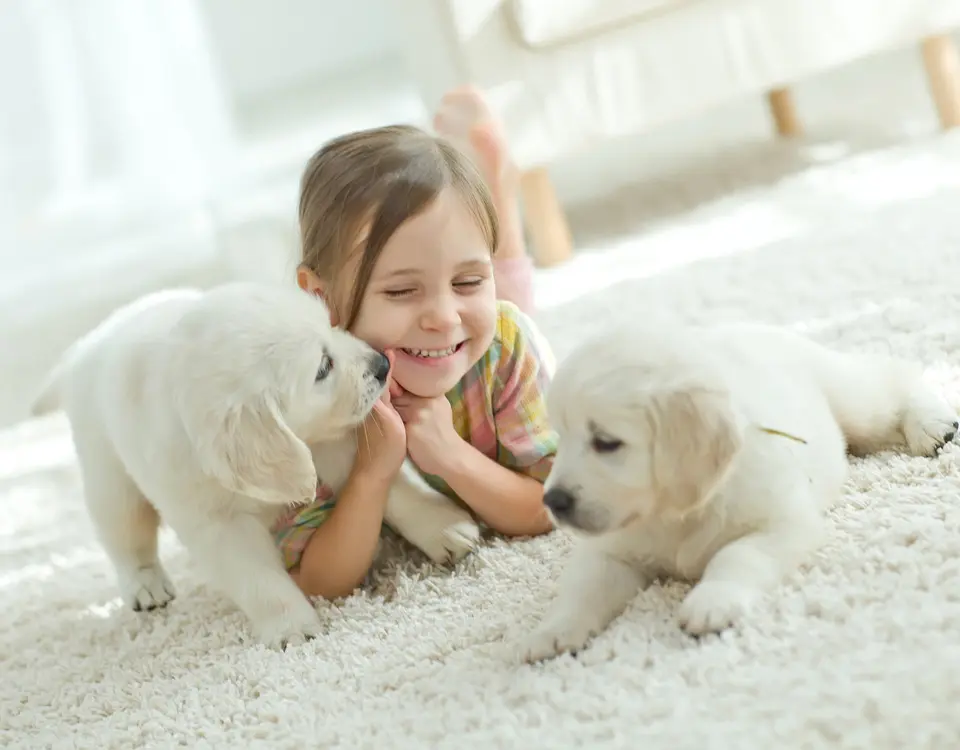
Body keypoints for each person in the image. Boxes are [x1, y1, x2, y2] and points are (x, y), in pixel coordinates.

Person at [272, 88, 558, 599]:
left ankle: (499, 198)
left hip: (497, 336)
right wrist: (372, 475)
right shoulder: (307, 391)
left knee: (508, 308)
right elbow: (315, 578)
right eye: (402, 291)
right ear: (321, 298)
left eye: (469, 281)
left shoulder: (505, 348)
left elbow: (552, 506)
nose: (443, 317)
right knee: (473, 313)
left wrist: (450, 455)